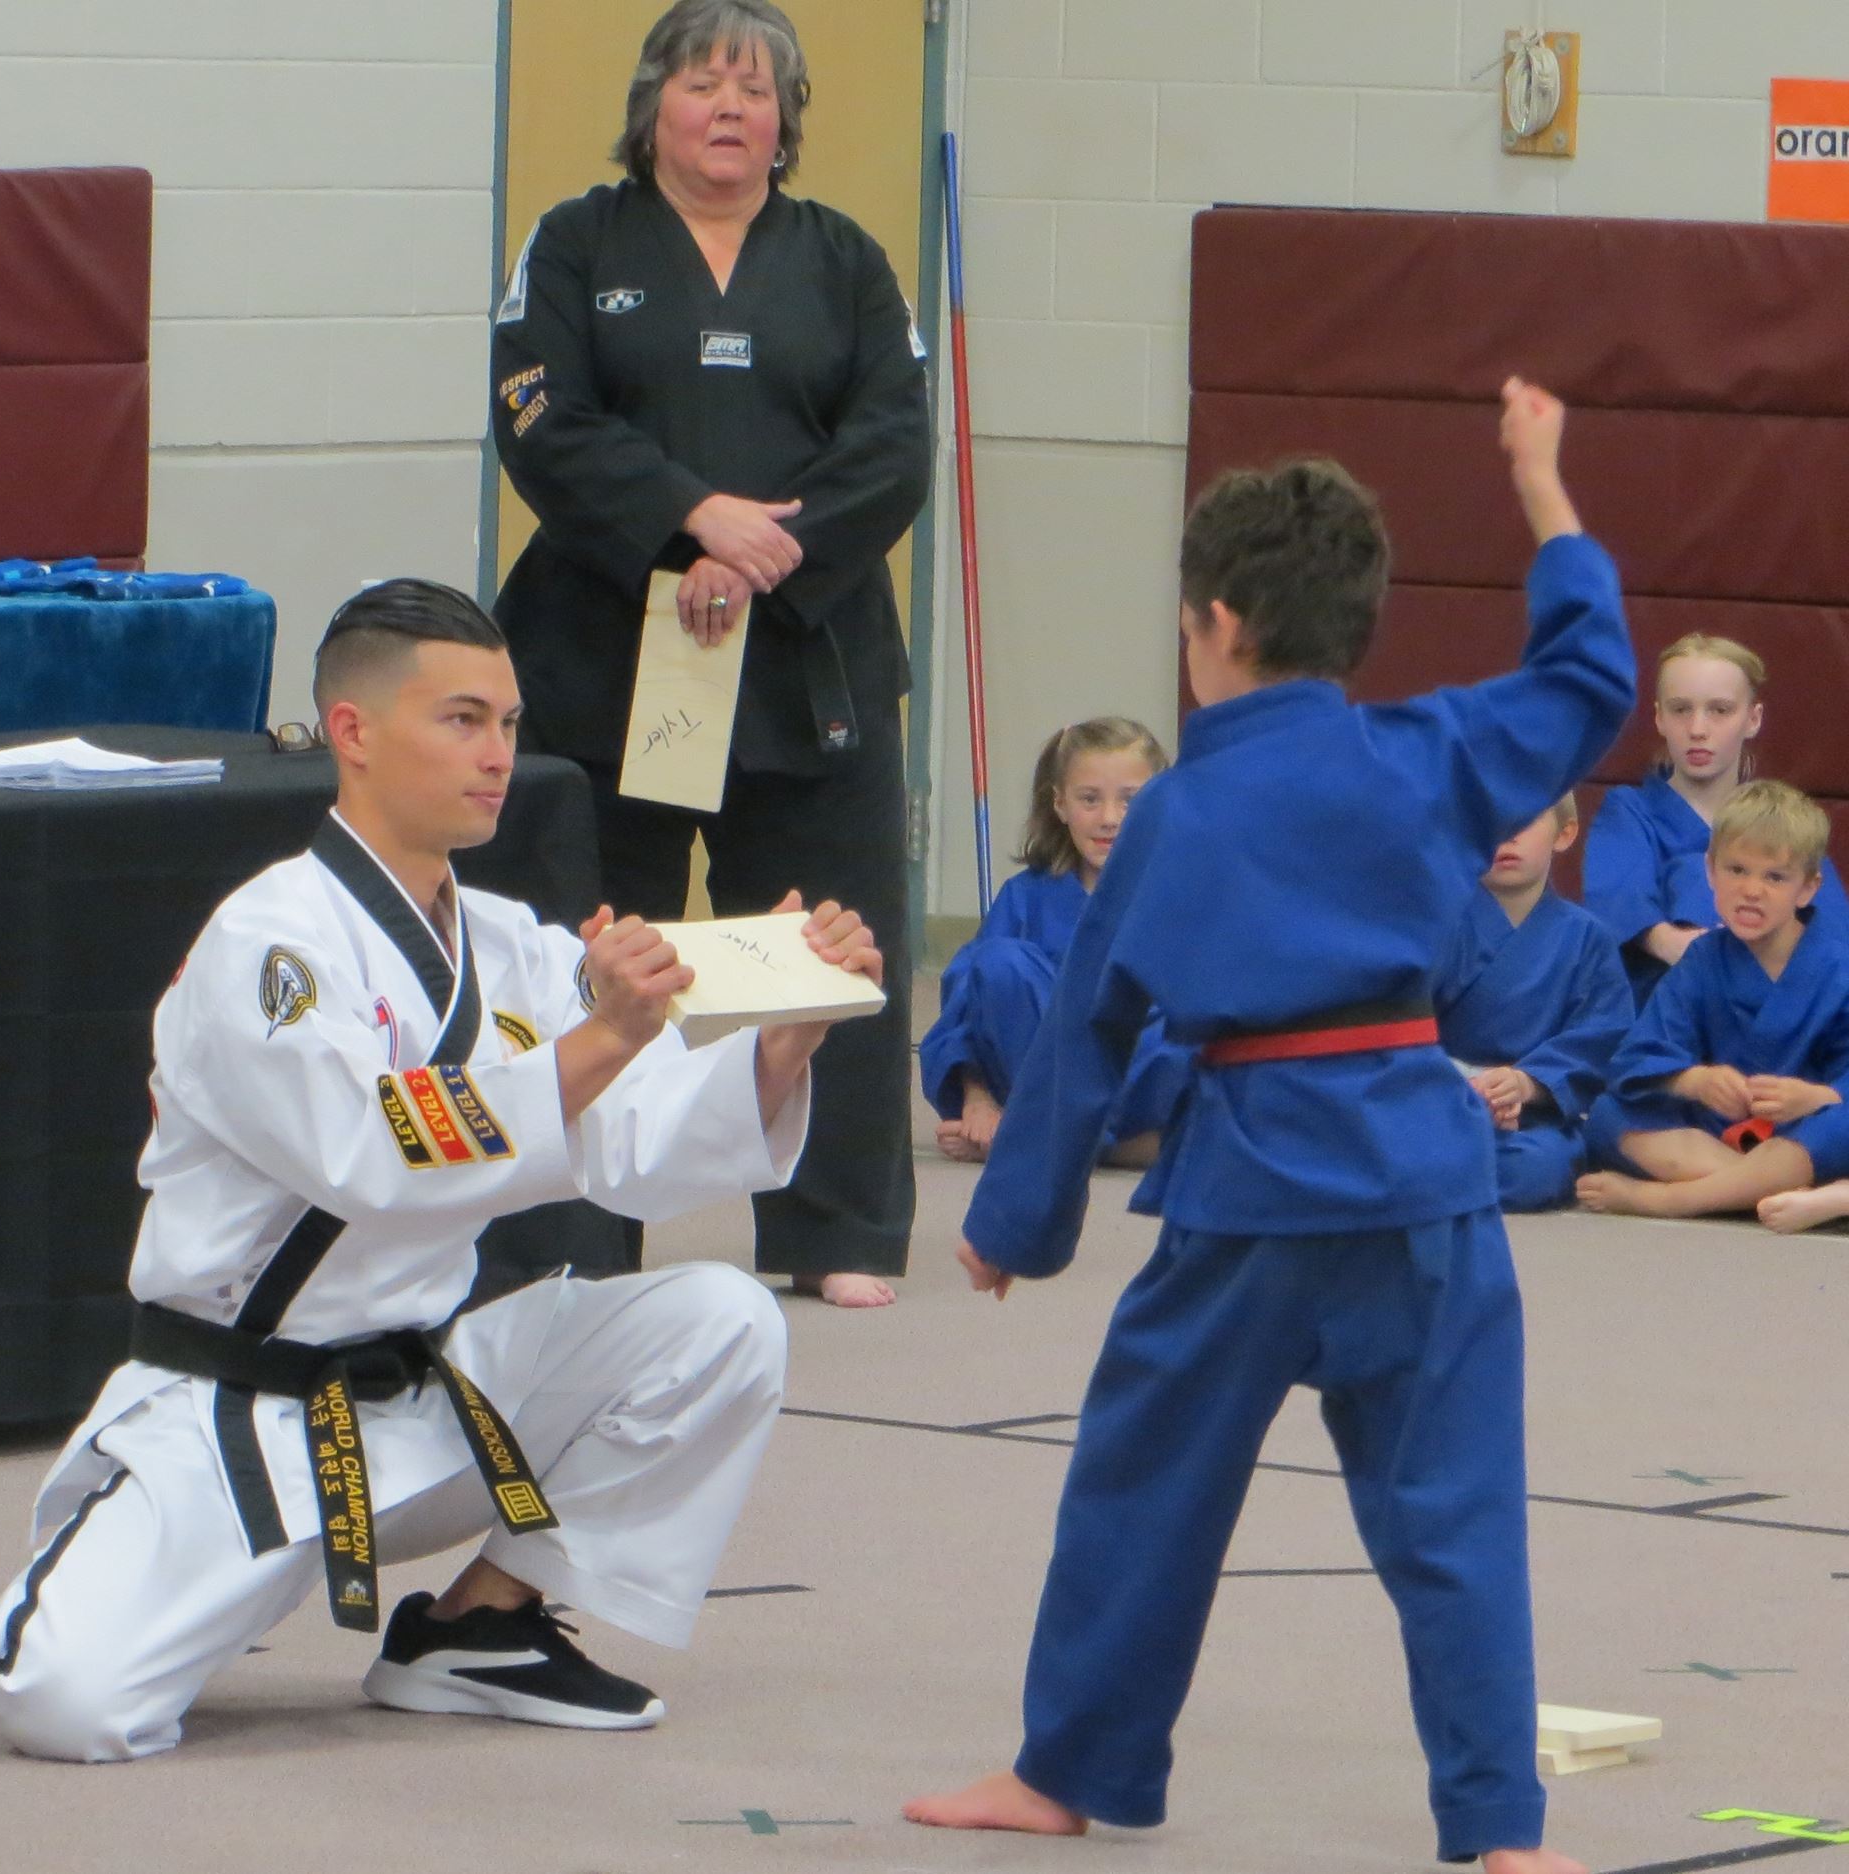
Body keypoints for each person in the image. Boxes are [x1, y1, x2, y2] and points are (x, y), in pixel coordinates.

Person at [904, 381, 1632, 1874]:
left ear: (1216, 622)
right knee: (1459, 1520)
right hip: (1427, 1185)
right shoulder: (1432, 751)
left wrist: (1013, 1225)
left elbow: (1089, 1025)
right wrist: (1542, 482)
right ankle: (1501, 1829)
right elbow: (1591, 669)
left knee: (1141, 1493)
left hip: (1247, 1197)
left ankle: (1070, 1770)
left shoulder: (1177, 813)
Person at [0, 578, 880, 1763]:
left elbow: (641, 1145)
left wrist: (780, 1034)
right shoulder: (271, 943)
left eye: (508, 723)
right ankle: (135, 1549)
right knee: (65, 1707)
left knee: (718, 1320)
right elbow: (373, 1153)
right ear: (351, 731)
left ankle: (479, 1627)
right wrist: (602, 1034)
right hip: (238, 1409)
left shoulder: (508, 940)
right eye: (460, 719)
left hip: (420, 1393)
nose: (496, 753)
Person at [489, 0, 930, 1309]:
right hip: (611, 648)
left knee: (821, 935)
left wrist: (761, 557)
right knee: (602, 938)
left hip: (803, 647)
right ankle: (574, 1223)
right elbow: (539, 417)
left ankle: (835, 1223)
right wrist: (690, 519)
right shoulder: (578, 243)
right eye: (702, 84)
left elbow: (893, 443)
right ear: (653, 107)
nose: (730, 108)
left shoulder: (844, 260)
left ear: (788, 121)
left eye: (756, 88)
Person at [1576, 780, 1849, 1222]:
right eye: (1736, 870)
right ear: (1710, 871)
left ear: (1808, 887)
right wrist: (1695, 1081)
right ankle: (1770, 1191)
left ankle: (1673, 1200)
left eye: (1775, 877)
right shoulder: (1702, 961)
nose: (1751, 890)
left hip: (1804, 1135)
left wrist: (1815, 1097)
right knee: (1610, 1115)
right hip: (1716, 1136)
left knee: (1842, 1123)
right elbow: (1639, 1057)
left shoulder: (1838, 968)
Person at [921, 718, 1186, 1168]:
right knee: (997, 963)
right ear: (1060, 804)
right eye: (1089, 799)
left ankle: (1039, 1140)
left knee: (1196, 1029)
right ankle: (1112, 1147)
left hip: (1138, 1076)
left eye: (1130, 800)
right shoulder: (1024, 897)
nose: (1109, 818)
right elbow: (970, 1008)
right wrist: (979, 1100)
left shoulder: (1182, 893)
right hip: (1043, 1071)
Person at [1582, 633, 1849, 1003]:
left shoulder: (1785, 821)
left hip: (1779, 1012)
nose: (1697, 729)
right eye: (1681, 709)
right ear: (1659, 717)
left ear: (1752, 719)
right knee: (1693, 872)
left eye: (1719, 710)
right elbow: (1616, 904)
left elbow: (1833, 935)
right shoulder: (1629, 811)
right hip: (1665, 1008)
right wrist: (1685, 946)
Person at [1436, 795, 1635, 1211]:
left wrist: (1526, 1083)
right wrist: (1466, 1089)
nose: (1506, 838)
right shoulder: (1435, 923)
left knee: (1537, 1169)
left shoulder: (1586, 938)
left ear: (1564, 834)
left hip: (1529, 1118)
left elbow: (1601, 1037)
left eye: (1524, 820)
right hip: (1440, 1099)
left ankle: (1423, 1181)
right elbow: (1402, 1021)